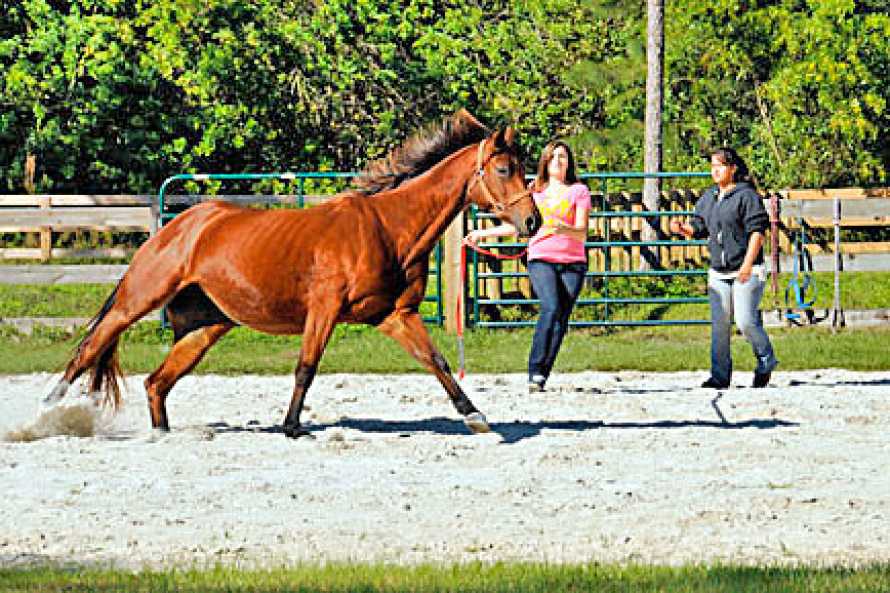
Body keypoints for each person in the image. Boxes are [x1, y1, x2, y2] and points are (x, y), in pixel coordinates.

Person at [465, 140, 590, 392]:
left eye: (563, 157)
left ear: (569, 163)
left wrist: (561, 228)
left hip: (573, 262)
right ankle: (534, 369)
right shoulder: (534, 191)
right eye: (553, 156)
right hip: (541, 257)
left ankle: (543, 373)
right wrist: (483, 234)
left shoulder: (579, 192)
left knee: (561, 320)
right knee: (551, 307)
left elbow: (581, 233)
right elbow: (518, 226)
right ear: (545, 161)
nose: (558, 161)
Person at [669, 147, 778, 389]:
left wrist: (748, 266)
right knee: (719, 325)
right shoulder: (709, 197)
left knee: (745, 321)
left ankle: (766, 360)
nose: (715, 170)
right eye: (712, 166)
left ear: (733, 168)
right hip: (719, 271)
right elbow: (699, 227)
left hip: (746, 269)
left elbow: (758, 233)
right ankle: (720, 376)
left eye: (720, 165)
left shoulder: (746, 196)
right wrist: (682, 229)